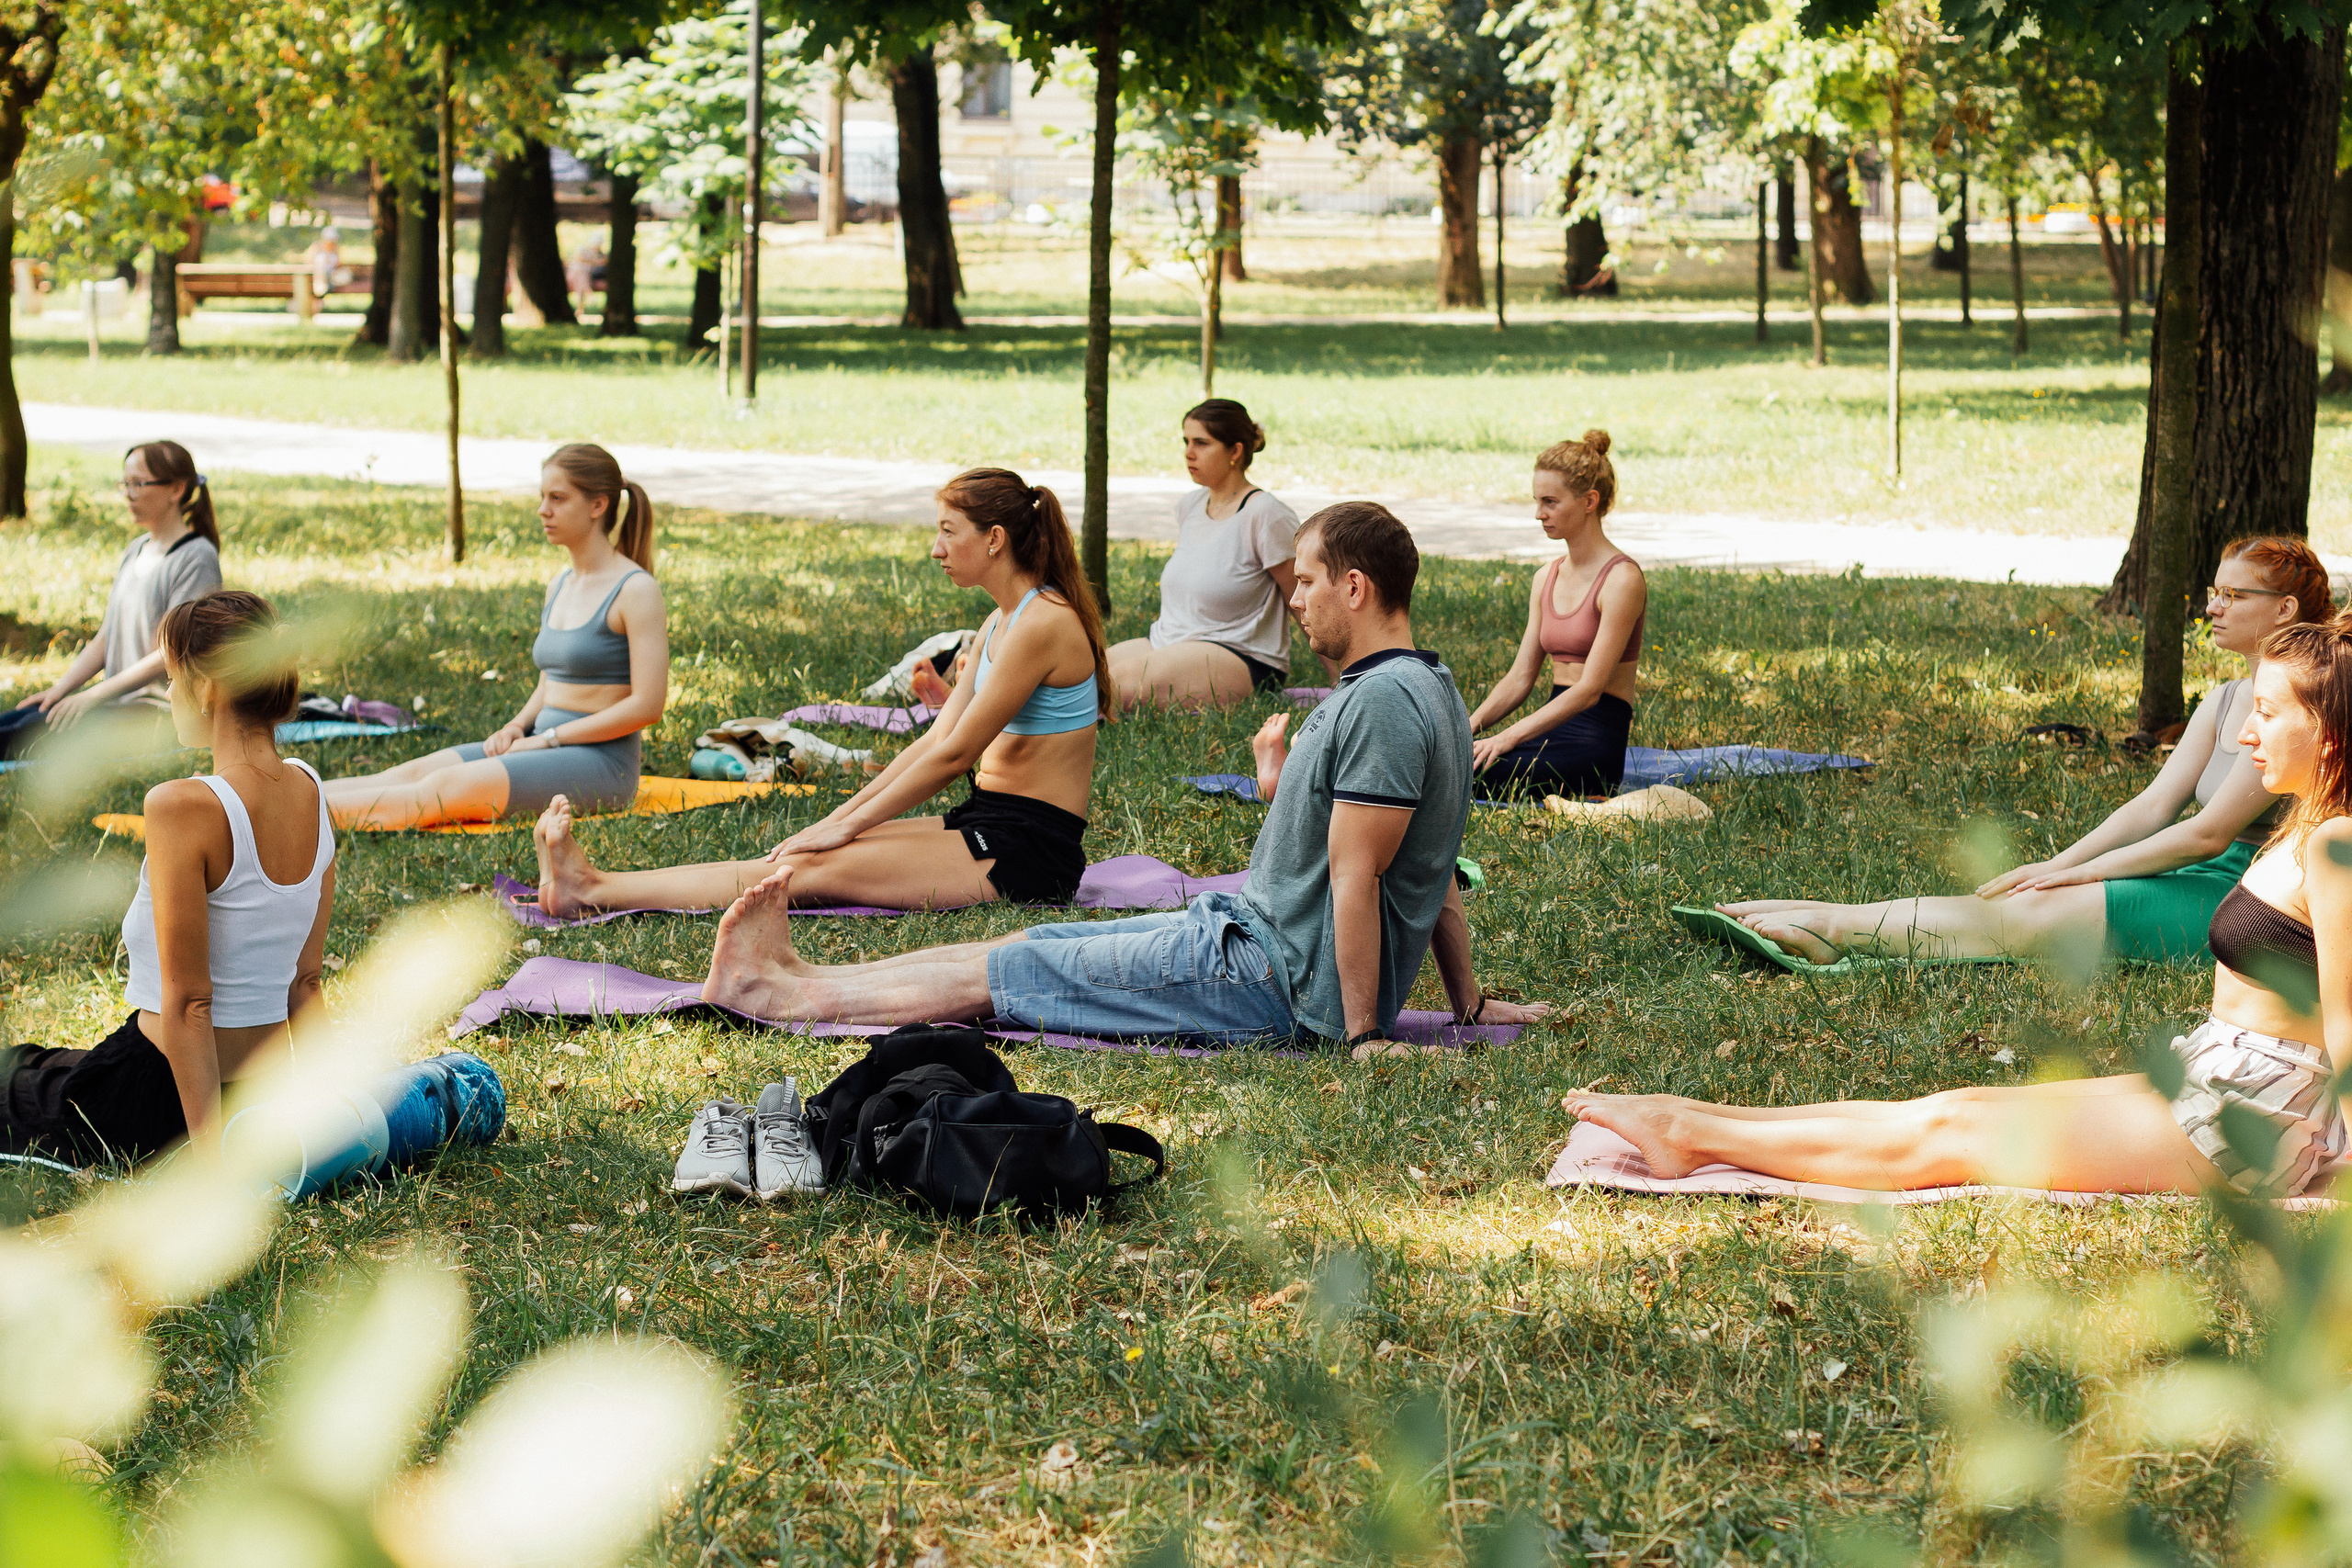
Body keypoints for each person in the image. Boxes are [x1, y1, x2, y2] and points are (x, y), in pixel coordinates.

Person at [694, 501, 1551, 1055]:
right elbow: (1433, 866)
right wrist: (1468, 1004)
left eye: (1308, 582)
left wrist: (1363, 1036)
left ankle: (782, 995)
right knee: (1029, 947)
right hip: (1244, 938)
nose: (1294, 601)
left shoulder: (1385, 704)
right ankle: (797, 975)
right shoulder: (1431, 685)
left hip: (1265, 976)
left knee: (1017, 974)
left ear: (1355, 587)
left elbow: (1362, 871)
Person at [1566, 610, 2352, 1199]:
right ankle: (1696, 1115)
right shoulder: (2308, 821)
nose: (2246, 734)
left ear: (2327, 734)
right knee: (1964, 1102)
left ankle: (1689, 1136)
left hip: (2256, 1119)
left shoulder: (2335, 844)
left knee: (1957, 1134)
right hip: (2219, 1074)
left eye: (2268, 713)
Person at [1714, 536, 2333, 967]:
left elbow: (2207, 834)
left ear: (2285, 609)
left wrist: (2081, 873)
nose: (2213, 607)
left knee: (2040, 915)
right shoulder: (2225, 699)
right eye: (2215, 591)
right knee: (2030, 899)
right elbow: (2152, 806)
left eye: (2234, 595)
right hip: (2205, 875)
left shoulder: (2298, 707)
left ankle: (1836, 931)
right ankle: (1831, 915)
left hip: (2255, 898)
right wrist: (2055, 865)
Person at [535, 467, 1110, 914]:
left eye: (947, 531)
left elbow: (955, 755)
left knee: (804, 872)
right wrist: (837, 819)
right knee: (809, 852)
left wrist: (847, 825)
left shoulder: (1043, 622)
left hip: (1028, 854)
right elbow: (935, 739)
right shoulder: (1000, 621)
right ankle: (594, 884)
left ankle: (591, 890)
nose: (936, 549)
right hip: (986, 820)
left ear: (995, 539)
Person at [1, 591, 333, 1162]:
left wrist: (211, 1166)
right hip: (259, 1094)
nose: (171, 693)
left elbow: (190, 1004)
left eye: (173, 677)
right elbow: (306, 986)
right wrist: (333, 1112)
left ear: (206, 689)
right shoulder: (312, 789)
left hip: (157, 1095)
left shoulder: (181, 806)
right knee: (33, 1063)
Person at [321, 445, 667, 829]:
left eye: (557, 498)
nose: (543, 510)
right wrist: (517, 726)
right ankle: (287, 798)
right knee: (415, 772)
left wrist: (549, 738)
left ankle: (293, 821)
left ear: (598, 505)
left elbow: (647, 706)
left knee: (442, 789)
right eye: (542, 497)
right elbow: (551, 683)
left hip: (602, 765)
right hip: (541, 743)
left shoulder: (636, 590)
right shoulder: (560, 585)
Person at [1105, 399, 1329, 710]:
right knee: (1079, 676)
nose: (1189, 452)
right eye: (1186, 441)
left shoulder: (1265, 514)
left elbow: (1303, 600)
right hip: (1167, 643)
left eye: (1201, 443)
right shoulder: (1191, 506)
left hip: (1241, 655)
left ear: (1235, 451)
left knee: (1117, 686)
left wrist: (1342, 677)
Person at [4, 442, 222, 755]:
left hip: (155, 712)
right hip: (114, 704)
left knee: (24, 736)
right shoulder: (136, 550)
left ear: (176, 489)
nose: (128, 494)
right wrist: (59, 691)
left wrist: (94, 695)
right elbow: (105, 639)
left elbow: (172, 651)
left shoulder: (197, 557)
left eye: (138, 484)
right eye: (125, 484)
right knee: (20, 719)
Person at [1464, 430, 1647, 799]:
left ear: (1589, 501)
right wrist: (1462, 732)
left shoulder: (1622, 580)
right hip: (1548, 731)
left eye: (1550, 502)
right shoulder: (1545, 577)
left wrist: (1506, 737)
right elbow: (1520, 678)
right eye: (1537, 501)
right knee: (1446, 763)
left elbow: (1589, 690)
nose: (1539, 514)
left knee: (1458, 777)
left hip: (1594, 746)